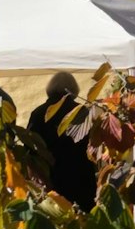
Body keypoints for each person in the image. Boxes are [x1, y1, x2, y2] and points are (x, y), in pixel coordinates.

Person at [27, 71, 96, 209]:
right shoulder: (83, 112)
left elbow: (29, 147)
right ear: (74, 89)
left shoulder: (39, 113)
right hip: (80, 178)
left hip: (50, 178)